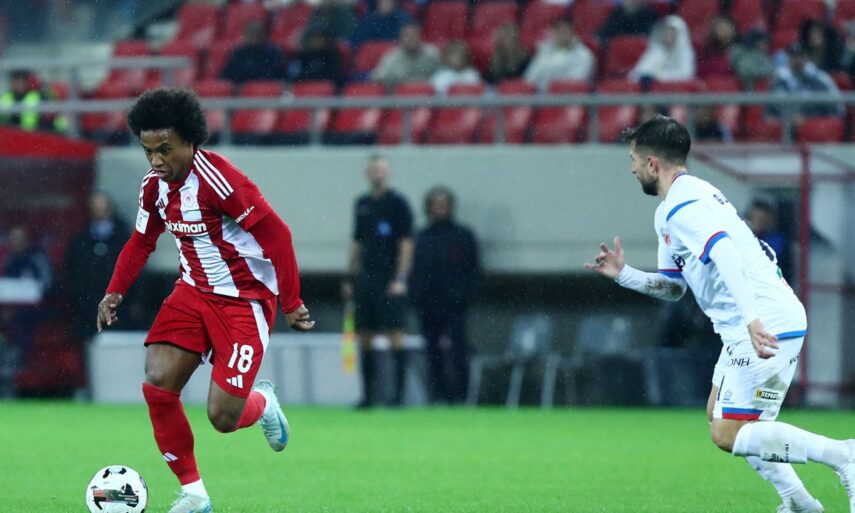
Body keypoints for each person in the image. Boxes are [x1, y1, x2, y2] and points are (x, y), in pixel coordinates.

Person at [584, 115, 855, 513]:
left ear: (652, 163)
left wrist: (751, 318)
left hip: (764, 321)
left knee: (729, 432)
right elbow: (674, 287)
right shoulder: (675, 207)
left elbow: (726, 252)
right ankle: (799, 502)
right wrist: (625, 274)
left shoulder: (685, 207)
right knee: (720, 415)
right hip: (750, 324)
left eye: (634, 159)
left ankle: (844, 456)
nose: (632, 168)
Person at [96, 87, 315, 513]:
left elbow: (277, 234)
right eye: (148, 151)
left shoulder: (219, 180)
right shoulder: (153, 186)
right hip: (192, 292)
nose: (156, 161)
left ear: (190, 141)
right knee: (158, 380)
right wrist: (114, 290)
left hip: (244, 300)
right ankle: (194, 494)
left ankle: (263, 403)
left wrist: (291, 303)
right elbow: (141, 240)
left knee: (223, 417)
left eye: (165, 149)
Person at [342, 155, 414, 408]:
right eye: (373, 169)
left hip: (389, 278)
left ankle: (398, 398)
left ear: (389, 172)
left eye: (381, 169)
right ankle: (368, 397)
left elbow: (406, 243)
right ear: (367, 173)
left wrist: (401, 278)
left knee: (396, 335)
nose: (377, 173)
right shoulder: (362, 204)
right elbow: (357, 243)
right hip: (366, 278)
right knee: (364, 336)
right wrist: (350, 277)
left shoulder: (398, 203)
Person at [409, 186, 479, 404]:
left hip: (455, 305)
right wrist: (416, 297)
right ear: (428, 208)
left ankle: (462, 395)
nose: (440, 208)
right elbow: (414, 271)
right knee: (432, 353)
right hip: (428, 305)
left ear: (451, 207)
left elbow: (473, 270)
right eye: (436, 204)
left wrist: (464, 296)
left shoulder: (463, 235)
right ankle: (438, 395)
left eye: (444, 204)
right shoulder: (421, 237)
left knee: (459, 352)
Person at [63, 192, 130, 341]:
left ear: (110, 209)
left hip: (118, 304)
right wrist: (81, 297)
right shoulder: (81, 239)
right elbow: (72, 271)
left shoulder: (122, 237)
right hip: (88, 306)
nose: (99, 212)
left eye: (102, 208)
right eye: (95, 208)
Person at [770, 43, 842, 121]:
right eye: (793, 56)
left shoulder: (819, 77)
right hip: (786, 122)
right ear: (788, 58)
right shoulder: (780, 79)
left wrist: (808, 116)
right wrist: (791, 116)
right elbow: (773, 106)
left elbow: (835, 105)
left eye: (800, 56)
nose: (797, 60)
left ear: (806, 57)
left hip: (815, 121)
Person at [524, 17, 595, 90]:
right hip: (540, 94)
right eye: (557, 31)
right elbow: (529, 78)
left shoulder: (584, 55)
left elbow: (577, 81)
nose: (561, 34)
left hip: (568, 95)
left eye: (564, 31)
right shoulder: (543, 52)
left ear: (573, 32)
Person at [371, 21, 441, 88]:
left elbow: (443, 75)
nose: (411, 38)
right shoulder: (392, 57)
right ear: (401, 38)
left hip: (428, 95)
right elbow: (377, 78)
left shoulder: (431, 53)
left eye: (414, 35)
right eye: (407, 36)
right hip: (400, 95)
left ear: (420, 36)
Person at [220, 20, 290, 85]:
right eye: (250, 33)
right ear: (245, 34)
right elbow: (225, 79)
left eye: (257, 33)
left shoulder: (273, 53)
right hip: (242, 93)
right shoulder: (237, 53)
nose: (253, 37)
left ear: (264, 35)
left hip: (267, 92)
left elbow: (283, 79)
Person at [629, 15, 696, 83]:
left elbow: (686, 74)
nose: (668, 35)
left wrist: (658, 76)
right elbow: (639, 73)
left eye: (672, 32)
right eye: (666, 31)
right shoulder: (657, 50)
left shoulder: (685, 52)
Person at [0, 69, 67, 132]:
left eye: (22, 80)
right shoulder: (5, 97)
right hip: (12, 134)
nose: (18, 83)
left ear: (27, 82)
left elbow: (53, 115)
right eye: (16, 80)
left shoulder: (39, 95)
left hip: (36, 134)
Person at [746, 199, 791, 282]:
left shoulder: (777, 240)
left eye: (762, 219)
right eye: (756, 218)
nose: (758, 222)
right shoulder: (745, 237)